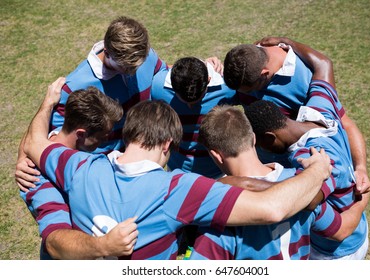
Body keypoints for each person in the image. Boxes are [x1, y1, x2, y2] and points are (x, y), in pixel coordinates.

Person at [22, 79, 332, 260]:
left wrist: (48, 103)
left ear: (128, 135)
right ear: (168, 145)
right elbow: (272, 208)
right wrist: (316, 171)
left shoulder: (77, 166)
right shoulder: (179, 189)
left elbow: (35, 144)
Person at [16, 16, 166, 259]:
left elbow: (164, 77)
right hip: (92, 186)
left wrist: (205, 67)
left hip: (133, 175)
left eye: (136, 68)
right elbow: (47, 137)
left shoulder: (142, 56)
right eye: (124, 68)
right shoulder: (74, 86)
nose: (131, 74)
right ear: (107, 51)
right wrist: (24, 157)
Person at [188, 105, 369, 260]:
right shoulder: (305, 186)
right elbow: (340, 230)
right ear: (253, 138)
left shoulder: (219, 210)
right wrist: (363, 199)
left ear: (215, 155)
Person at [243, 37, 369, 259]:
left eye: (259, 143)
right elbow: (324, 64)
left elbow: (309, 200)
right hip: (356, 234)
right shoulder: (320, 108)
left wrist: (242, 183)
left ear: (270, 137)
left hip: (335, 253)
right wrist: (284, 41)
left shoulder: (311, 158)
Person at [223, 39, 370, 194]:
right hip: (264, 171)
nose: (244, 95)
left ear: (264, 74)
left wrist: (360, 168)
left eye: (249, 90)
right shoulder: (246, 62)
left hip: (301, 176)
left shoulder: (304, 79)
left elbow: (345, 124)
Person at [19, 81, 138, 259]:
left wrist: (48, 103)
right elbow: (54, 241)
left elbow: (34, 138)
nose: (105, 141)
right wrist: (104, 246)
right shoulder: (37, 176)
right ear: (81, 134)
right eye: (101, 137)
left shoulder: (55, 136)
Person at [151, 56, 238, 179]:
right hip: (176, 172)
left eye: (197, 99)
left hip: (218, 173)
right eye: (184, 100)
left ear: (208, 80)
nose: (190, 106)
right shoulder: (157, 87)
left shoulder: (227, 89)